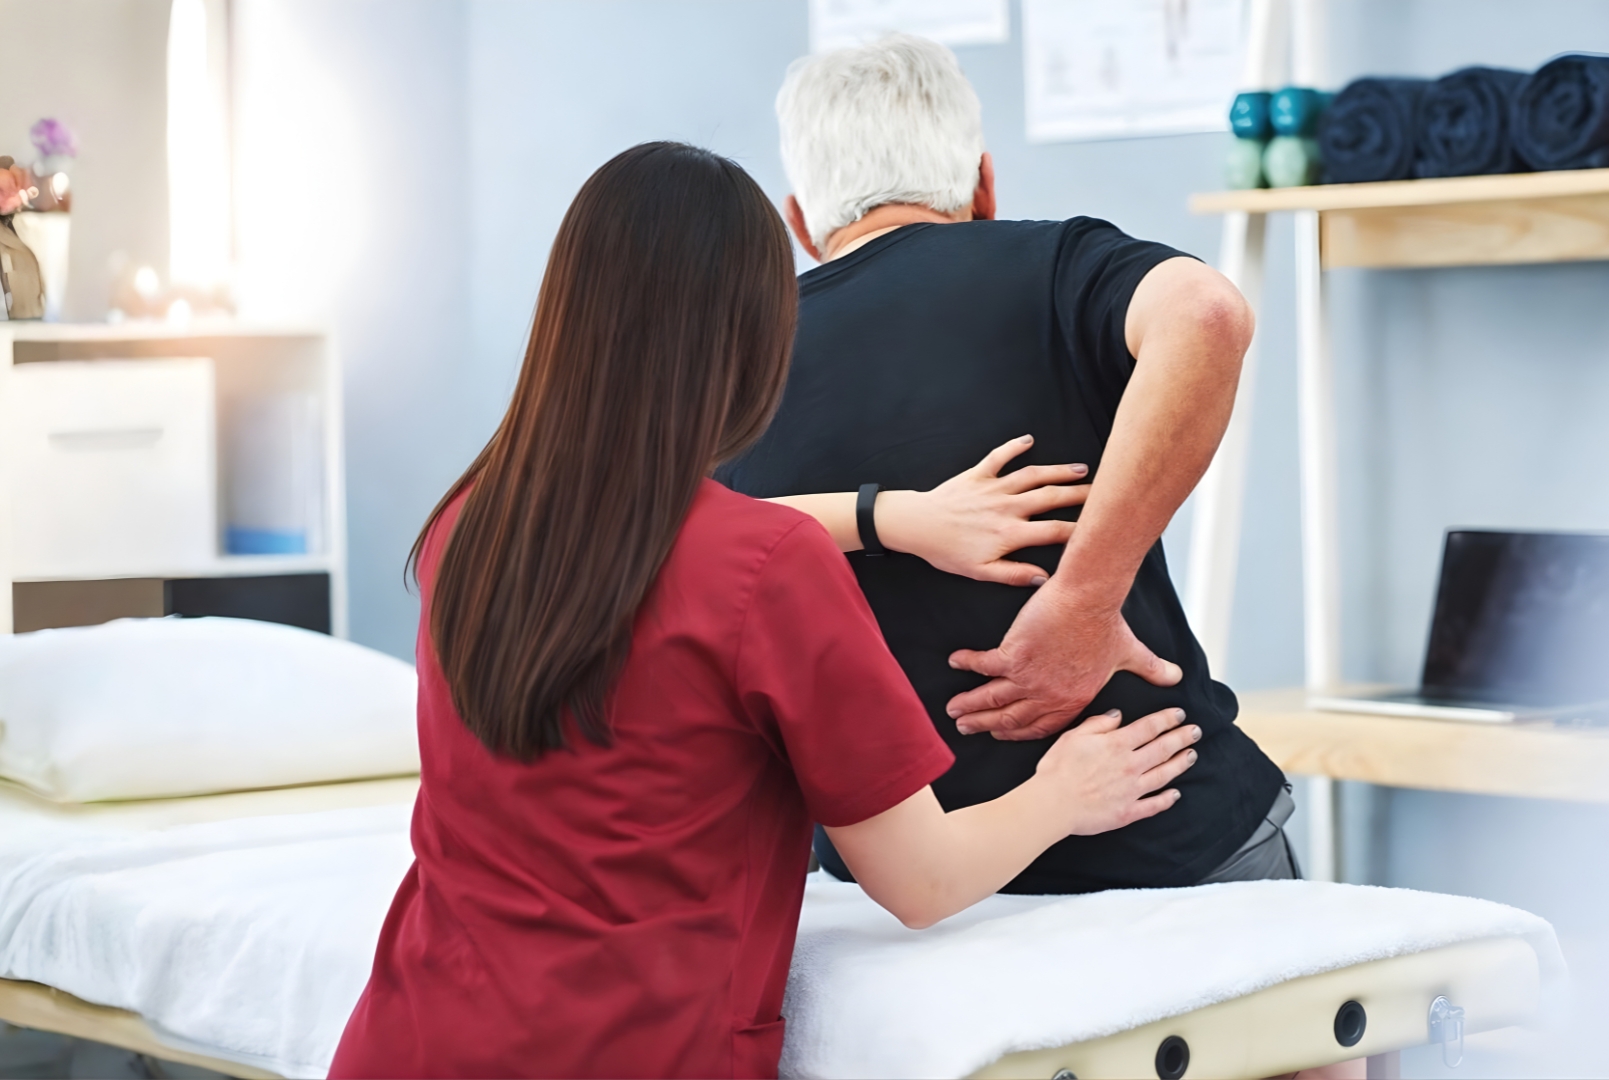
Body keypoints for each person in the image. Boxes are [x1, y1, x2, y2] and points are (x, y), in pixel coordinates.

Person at [327, 142, 1200, 1079]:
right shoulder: (769, 572)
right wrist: (1064, 792)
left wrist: (888, 518)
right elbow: (922, 879)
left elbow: (657, 539)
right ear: (750, 338)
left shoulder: (469, 523)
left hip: (410, 1039)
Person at [718, 34, 1297, 894]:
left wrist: (883, 520)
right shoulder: (1056, 265)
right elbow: (1207, 316)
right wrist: (1081, 603)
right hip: (1173, 848)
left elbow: (661, 548)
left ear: (800, 222)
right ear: (983, 184)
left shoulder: (727, 367)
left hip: (898, 903)